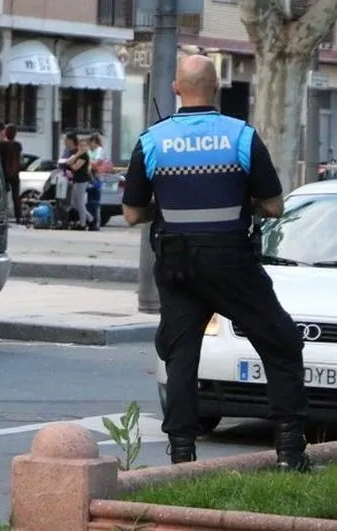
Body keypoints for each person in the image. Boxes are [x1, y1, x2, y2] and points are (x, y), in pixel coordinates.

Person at [121, 54, 311, 471]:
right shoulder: (241, 136)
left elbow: (132, 214)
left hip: (176, 264)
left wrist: (166, 209)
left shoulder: (152, 141)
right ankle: (289, 451)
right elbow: (274, 206)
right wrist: (241, 203)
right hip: (232, 263)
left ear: (176, 88)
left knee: (181, 356)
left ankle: (182, 458)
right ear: (217, 87)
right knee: (281, 343)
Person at [61, 133, 93, 229]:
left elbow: (74, 167)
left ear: (87, 147)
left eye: (84, 146)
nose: (82, 147)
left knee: (80, 203)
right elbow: (69, 161)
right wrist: (77, 155)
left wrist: (70, 162)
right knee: (74, 204)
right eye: (80, 145)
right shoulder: (78, 154)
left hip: (82, 180)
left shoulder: (84, 156)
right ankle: (90, 218)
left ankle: (83, 223)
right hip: (76, 180)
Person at [0, 123, 23, 224]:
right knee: (16, 197)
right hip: (15, 174)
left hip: (4, 174)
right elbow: (20, 159)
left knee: (3, 196)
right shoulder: (18, 145)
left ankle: (2, 216)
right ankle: (18, 217)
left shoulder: (1, 145)